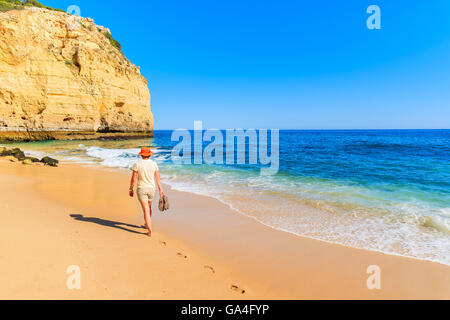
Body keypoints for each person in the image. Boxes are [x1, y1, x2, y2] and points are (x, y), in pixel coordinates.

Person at [129, 147, 164, 237]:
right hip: (152, 189)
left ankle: (149, 231)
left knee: (146, 210)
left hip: (142, 189)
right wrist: (161, 190)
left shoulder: (137, 164)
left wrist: (131, 189)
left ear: (141, 155)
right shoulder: (154, 164)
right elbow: (157, 179)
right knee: (148, 207)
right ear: (149, 155)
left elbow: (133, 179)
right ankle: (146, 224)